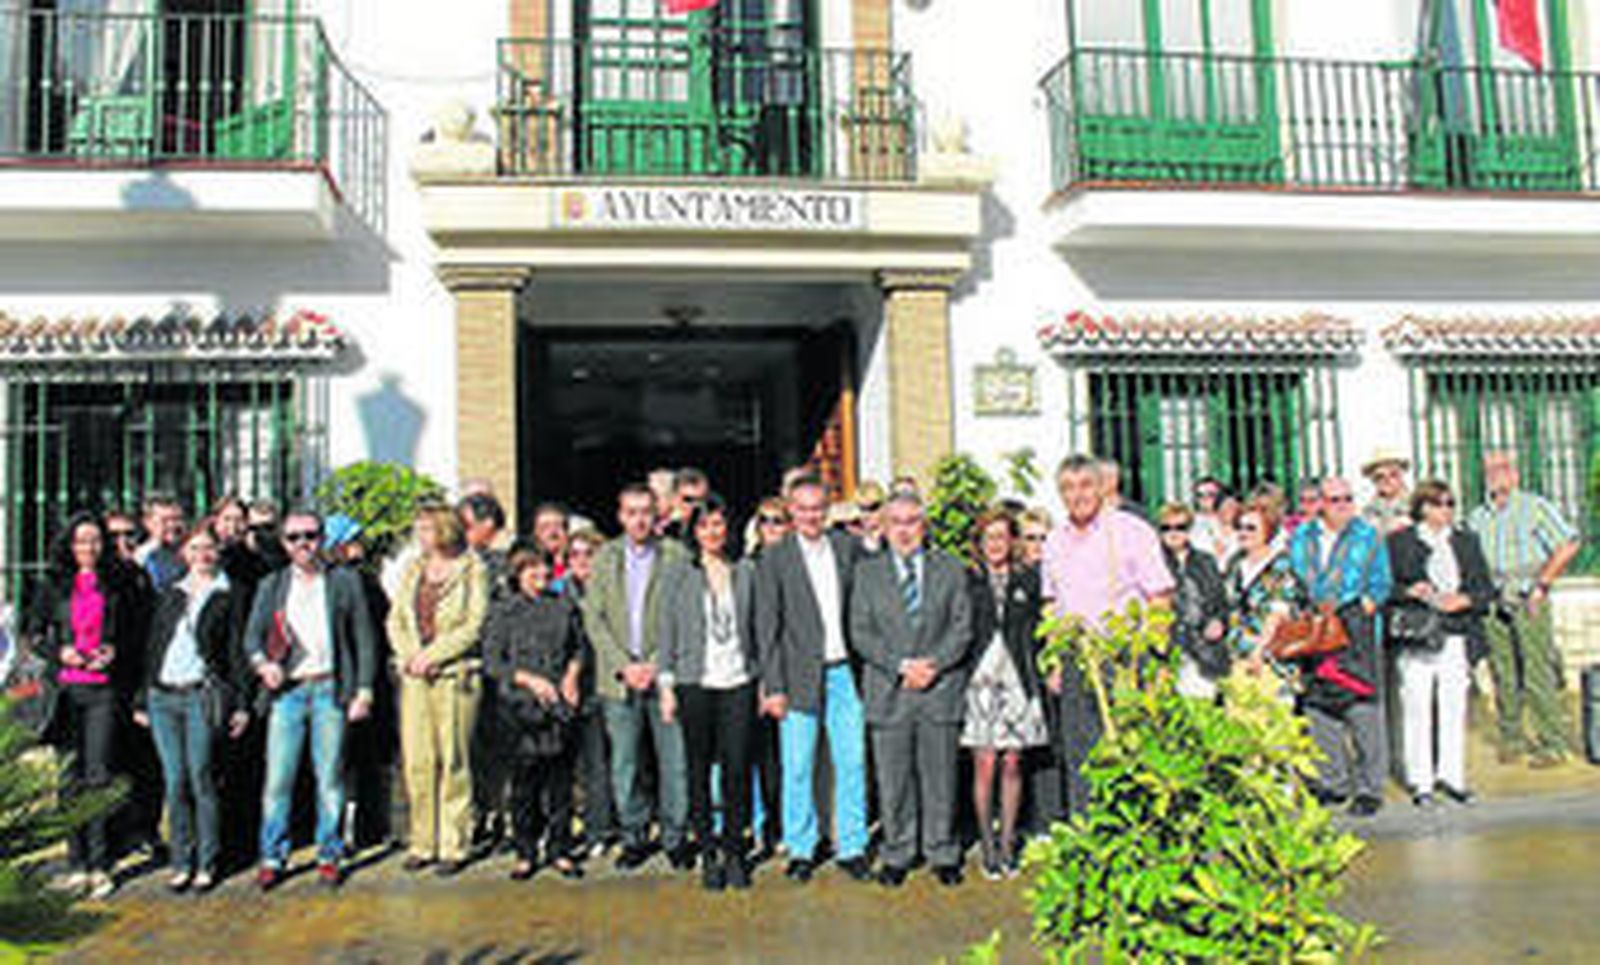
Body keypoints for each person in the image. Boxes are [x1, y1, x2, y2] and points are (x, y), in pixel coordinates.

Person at [245, 509, 377, 889]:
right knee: (278, 780)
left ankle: (328, 853)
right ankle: (273, 855)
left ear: (323, 539)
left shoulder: (344, 582)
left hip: (330, 688)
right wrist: (261, 665)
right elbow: (251, 638)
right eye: (294, 538)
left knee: (330, 777)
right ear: (284, 544)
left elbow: (363, 638)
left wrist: (363, 690)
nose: (303, 544)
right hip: (287, 692)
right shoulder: (272, 585)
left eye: (311, 535)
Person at [1040, 456, 1174, 816]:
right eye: (1068, 488)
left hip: (1124, 658)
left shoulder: (1132, 531)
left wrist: (1152, 659)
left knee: (1130, 749)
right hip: (1076, 660)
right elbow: (1051, 605)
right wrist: (1054, 661)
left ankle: (1135, 838)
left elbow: (1159, 597)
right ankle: (1089, 838)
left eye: (1085, 485)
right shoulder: (1053, 541)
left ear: (1101, 487)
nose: (1077, 495)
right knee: (1081, 754)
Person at [755, 474, 872, 884]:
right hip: (797, 674)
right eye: (802, 509)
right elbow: (766, 627)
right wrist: (774, 685)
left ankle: (852, 845)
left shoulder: (848, 548)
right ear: (790, 511)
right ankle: (802, 847)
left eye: (817, 509)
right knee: (799, 765)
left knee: (852, 760)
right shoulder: (775, 558)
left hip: (844, 673)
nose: (810, 516)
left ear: (827, 510)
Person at [850, 492, 971, 887]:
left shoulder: (950, 569)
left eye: (912, 521)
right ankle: (898, 851)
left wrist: (933, 665)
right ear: (884, 527)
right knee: (894, 779)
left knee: (941, 778)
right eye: (897, 522)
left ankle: (942, 850)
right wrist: (901, 666)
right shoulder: (866, 573)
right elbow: (861, 631)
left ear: (925, 526)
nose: (904, 530)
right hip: (890, 690)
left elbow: (961, 626)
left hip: (940, 688)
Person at [132, 518, 248, 894]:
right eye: (195, 548)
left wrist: (242, 704)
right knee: (174, 780)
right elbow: (152, 646)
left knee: (201, 776)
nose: (202, 554)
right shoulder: (170, 592)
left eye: (208, 547)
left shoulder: (229, 594)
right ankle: (181, 859)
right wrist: (141, 696)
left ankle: (208, 860)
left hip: (201, 694)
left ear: (218, 552)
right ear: (184, 553)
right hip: (163, 696)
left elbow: (236, 654)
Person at [581, 484, 692, 871]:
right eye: (631, 512)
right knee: (625, 763)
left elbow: (684, 616)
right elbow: (593, 618)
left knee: (674, 760)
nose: (639, 520)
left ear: (657, 515)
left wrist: (656, 665)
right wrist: (623, 665)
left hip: (664, 678)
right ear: (620, 516)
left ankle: (675, 836)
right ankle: (634, 835)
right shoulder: (604, 558)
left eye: (646, 511)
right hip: (618, 679)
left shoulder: (677, 556)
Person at [657, 494, 760, 891]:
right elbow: (665, 633)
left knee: (736, 768)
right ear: (693, 531)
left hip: (738, 681)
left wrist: (763, 678)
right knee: (698, 769)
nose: (712, 532)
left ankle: (734, 850)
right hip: (694, 681)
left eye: (718, 524)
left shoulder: (746, 570)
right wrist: (667, 688)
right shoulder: (678, 574)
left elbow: (758, 629)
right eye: (704, 526)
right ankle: (708, 853)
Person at [30, 513, 130, 899]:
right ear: (69, 545)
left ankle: (101, 863)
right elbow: (34, 634)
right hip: (67, 692)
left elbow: (128, 633)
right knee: (68, 779)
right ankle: (77, 862)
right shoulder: (52, 585)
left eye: (95, 541)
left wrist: (112, 650)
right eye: (81, 541)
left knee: (99, 774)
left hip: (102, 690)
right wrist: (61, 652)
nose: (89, 548)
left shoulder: (114, 585)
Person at [387, 505, 490, 876]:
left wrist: (435, 655)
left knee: (453, 759)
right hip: (416, 677)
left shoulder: (473, 568)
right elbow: (396, 618)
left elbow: (474, 623)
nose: (421, 535)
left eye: (427, 528)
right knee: (418, 760)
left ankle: (454, 844)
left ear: (444, 530)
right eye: (418, 529)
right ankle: (422, 842)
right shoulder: (413, 569)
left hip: (455, 675)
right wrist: (411, 656)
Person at [1468, 451, 1582, 768]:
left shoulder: (1534, 507)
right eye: (1490, 470)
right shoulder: (1478, 517)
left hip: (1529, 595)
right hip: (1494, 600)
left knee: (1536, 670)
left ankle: (1552, 742)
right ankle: (1512, 738)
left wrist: (1542, 584)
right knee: (1503, 672)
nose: (1496, 475)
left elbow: (1569, 543)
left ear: (1515, 474)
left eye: (1502, 469)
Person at [1288, 477, 1393, 817]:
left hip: (1355, 629)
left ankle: (1369, 787)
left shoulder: (1368, 535)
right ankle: (1334, 782)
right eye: (1335, 500)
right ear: (1320, 503)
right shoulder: (1301, 537)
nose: (1344, 505)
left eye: (1348, 498)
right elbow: (1292, 577)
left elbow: (1382, 581)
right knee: (1320, 707)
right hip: (1316, 629)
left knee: (1362, 706)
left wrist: (1367, 604)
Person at [1387, 480, 1493, 807]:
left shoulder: (1466, 542)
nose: (1445, 511)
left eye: (1449, 504)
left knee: (1453, 705)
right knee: (1416, 705)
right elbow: (1384, 586)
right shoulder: (1400, 542)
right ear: (1422, 508)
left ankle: (1453, 776)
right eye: (1437, 504)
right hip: (1419, 633)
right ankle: (1421, 781)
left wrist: (1463, 600)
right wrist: (1409, 592)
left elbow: (1484, 589)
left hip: (1456, 632)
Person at [483, 547, 584, 881]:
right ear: (517, 573)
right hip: (519, 706)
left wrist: (572, 676)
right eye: (531, 569)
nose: (540, 574)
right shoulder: (503, 610)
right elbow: (493, 661)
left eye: (543, 568)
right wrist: (529, 680)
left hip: (558, 702)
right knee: (524, 785)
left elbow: (578, 648)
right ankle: (525, 851)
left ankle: (560, 848)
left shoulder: (563, 605)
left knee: (560, 783)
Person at [960, 509, 1047, 879]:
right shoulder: (968, 580)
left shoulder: (1029, 579)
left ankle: (1009, 843)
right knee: (985, 763)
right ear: (979, 544)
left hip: (1017, 678)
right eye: (988, 537)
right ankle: (988, 845)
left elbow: (1041, 628)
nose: (995, 544)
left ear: (1012, 541)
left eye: (1001, 536)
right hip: (979, 680)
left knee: (1013, 762)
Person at [459, 491, 510, 851]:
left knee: (500, 749)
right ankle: (476, 816)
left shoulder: (502, 564)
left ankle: (501, 816)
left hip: (500, 668)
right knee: (470, 749)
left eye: (466, 524)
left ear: (487, 526)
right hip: (467, 666)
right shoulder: (454, 563)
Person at [563, 528, 616, 857]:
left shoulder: (610, 592)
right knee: (565, 764)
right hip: (565, 688)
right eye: (575, 554)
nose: (581, 561)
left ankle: (600, 829)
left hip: (600, 684)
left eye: (588, 553)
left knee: (599, 761)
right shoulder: (558, 592)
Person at [1223, 500, 1305, 703]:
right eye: (1239, 527)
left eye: (1251, 528)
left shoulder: (1281, 567)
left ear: (1268, 531)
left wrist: (1259, 651)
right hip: (1236, 657)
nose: (1244, 533)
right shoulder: (1235, 564)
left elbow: (1278, 614)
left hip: (1271, 659)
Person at [1157, 504, 1230, 701]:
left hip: (1204, 650)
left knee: (1204, 711)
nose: (1173, 533)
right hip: (1168, 651)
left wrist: (1218, 622)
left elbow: (1221, 604)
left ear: (1189, 530)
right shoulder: (1154, 563)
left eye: (1179, 527)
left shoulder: (1206, 562)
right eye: (1166, 527)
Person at [138, 494, 188, 591]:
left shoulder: (191, 552)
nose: (172, 525)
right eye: (165, 520)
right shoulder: (143, 558)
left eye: (177, 519)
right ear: (147, 523)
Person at [1362, 449, 1413, 537]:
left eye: (1393, 475)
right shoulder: (1366, 513)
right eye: (1380, 477)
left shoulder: (1416, 506)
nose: (1387, 480)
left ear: (1401, 476)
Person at [532, 502, 571, 582]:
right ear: (536, 532)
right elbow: (555, 590)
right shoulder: (528, 563)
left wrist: (559, 559)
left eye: (557, 526)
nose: (552, 532)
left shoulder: (577, 559)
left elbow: (559, 589)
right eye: (545, 527)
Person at [855, 481, 887, 556]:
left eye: (872, 508)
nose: (867, 514)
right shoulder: (854, 543)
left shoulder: (895, 539)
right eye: (862, 509)